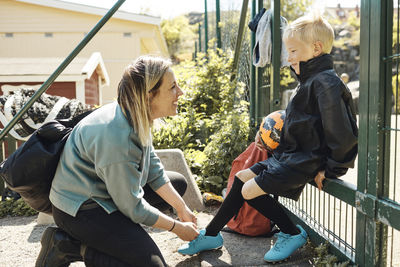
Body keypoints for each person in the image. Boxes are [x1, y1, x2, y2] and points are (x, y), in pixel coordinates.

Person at [178, 13, 358, 263]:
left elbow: (343, 134)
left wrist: (332, 169)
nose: (289, 57)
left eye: (294, 51)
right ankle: (211, 234)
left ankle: (291, 233)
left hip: (303, 161)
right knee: (242, 178)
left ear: (316, 48)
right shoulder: (309, 80)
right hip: (288, 157)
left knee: (250, 190)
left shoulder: (326, 83)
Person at [35, 55, 199, 267]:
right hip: (80, 210)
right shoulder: (116, 136)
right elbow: (133, 207)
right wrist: (177, 227)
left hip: (107, 193)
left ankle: (119, 235)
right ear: (149, 95)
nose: (180, 93)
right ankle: (67, 247)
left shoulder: (135, 113)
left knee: (176, 182)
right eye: (173, 87)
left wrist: (182, 208)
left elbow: (153, 169)